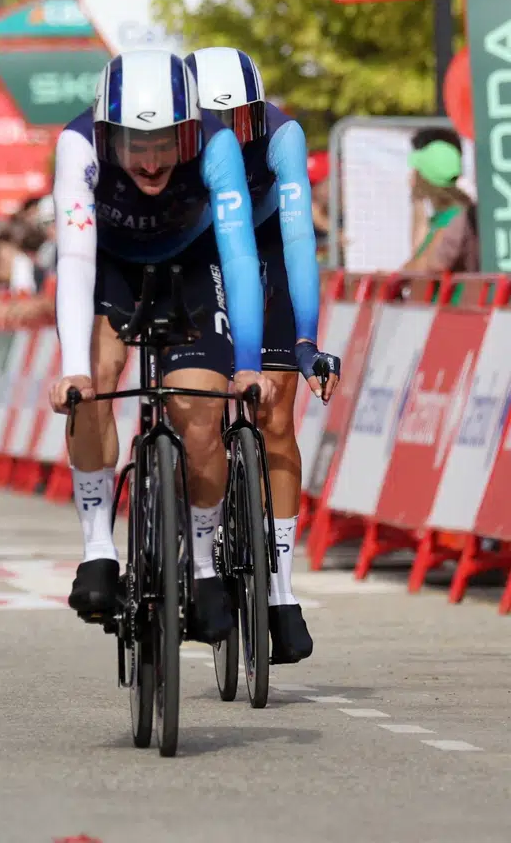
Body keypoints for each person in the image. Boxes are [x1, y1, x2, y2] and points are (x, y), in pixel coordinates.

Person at [48, 49, 277, 646]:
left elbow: (238, 253)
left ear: (188, 131)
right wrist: (74, 371)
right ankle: (98, 549)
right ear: (105, 133)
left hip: (196, 266)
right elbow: (73, 256)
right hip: (112, 268)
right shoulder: (76, 147)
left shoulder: (218, 145)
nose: (150, 161)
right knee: (93, 380)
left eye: (165, 142)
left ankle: (203, 566)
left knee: (199, 414)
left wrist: (248, 364)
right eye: (134, 144)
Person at [187, 46, 344, 663]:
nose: (230, 134)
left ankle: (279, 588)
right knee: (192, 405)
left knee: (275, 416)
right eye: (215, 122)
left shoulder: (282, 136)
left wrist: (305, 339)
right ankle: (190, 526)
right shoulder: (171, 143)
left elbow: (301, 237)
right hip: (200, 250)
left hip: (269, 246)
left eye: (241, 120)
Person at [403, 134, 478, 273]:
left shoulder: (454, 218)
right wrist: (417, 201)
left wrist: (417, 196)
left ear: (425, 178)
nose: (411, 175)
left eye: (416, 171)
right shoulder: (443, 216)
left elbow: (422, 268)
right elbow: (417, 254)